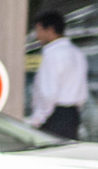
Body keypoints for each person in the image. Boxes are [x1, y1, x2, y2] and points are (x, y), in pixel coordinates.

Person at [27, 11, 87, 140]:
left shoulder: (53, 55)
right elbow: (82, 92)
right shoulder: (77, 53)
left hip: (54, 117)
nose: (37, 36)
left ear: (50, 30)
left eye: (39, 30)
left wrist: (36, 120)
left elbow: (48, 94)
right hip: (73, 115)